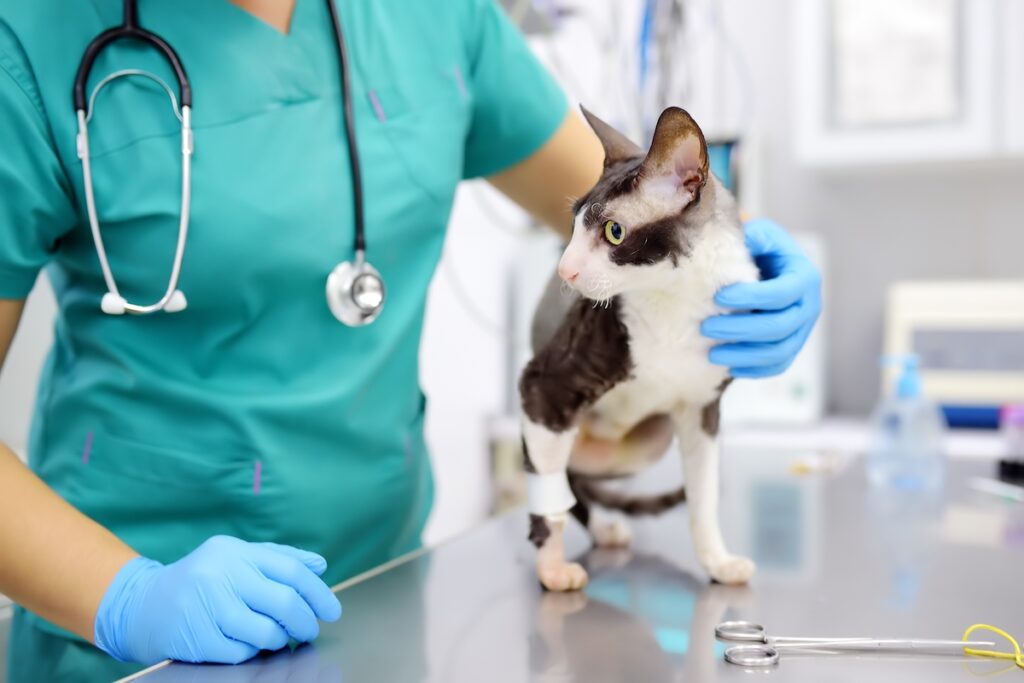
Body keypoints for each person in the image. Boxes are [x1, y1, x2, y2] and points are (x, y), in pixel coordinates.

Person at [0, 0, 822, 676]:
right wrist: (129, 598)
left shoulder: (434, 18)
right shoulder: (32, 38)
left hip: (376, 609)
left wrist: (734, 262)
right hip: (121, 641)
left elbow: (628, 206)